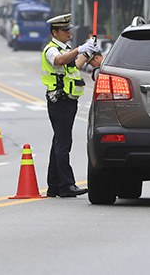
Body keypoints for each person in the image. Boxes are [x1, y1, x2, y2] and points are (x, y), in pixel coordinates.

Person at [42, 13, 100, 197]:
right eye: (64, 30)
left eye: (69, 29)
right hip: (59, 100)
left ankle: (54, 186)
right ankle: (66, 185)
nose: (68, 32)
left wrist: (87, 52)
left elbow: (73, 65)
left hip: (68, 100)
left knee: (59, 141)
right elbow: (59, 60)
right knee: (63, 142)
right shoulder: (52, 49)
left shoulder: (64, 49)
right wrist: (78, 49)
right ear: (54, 32)